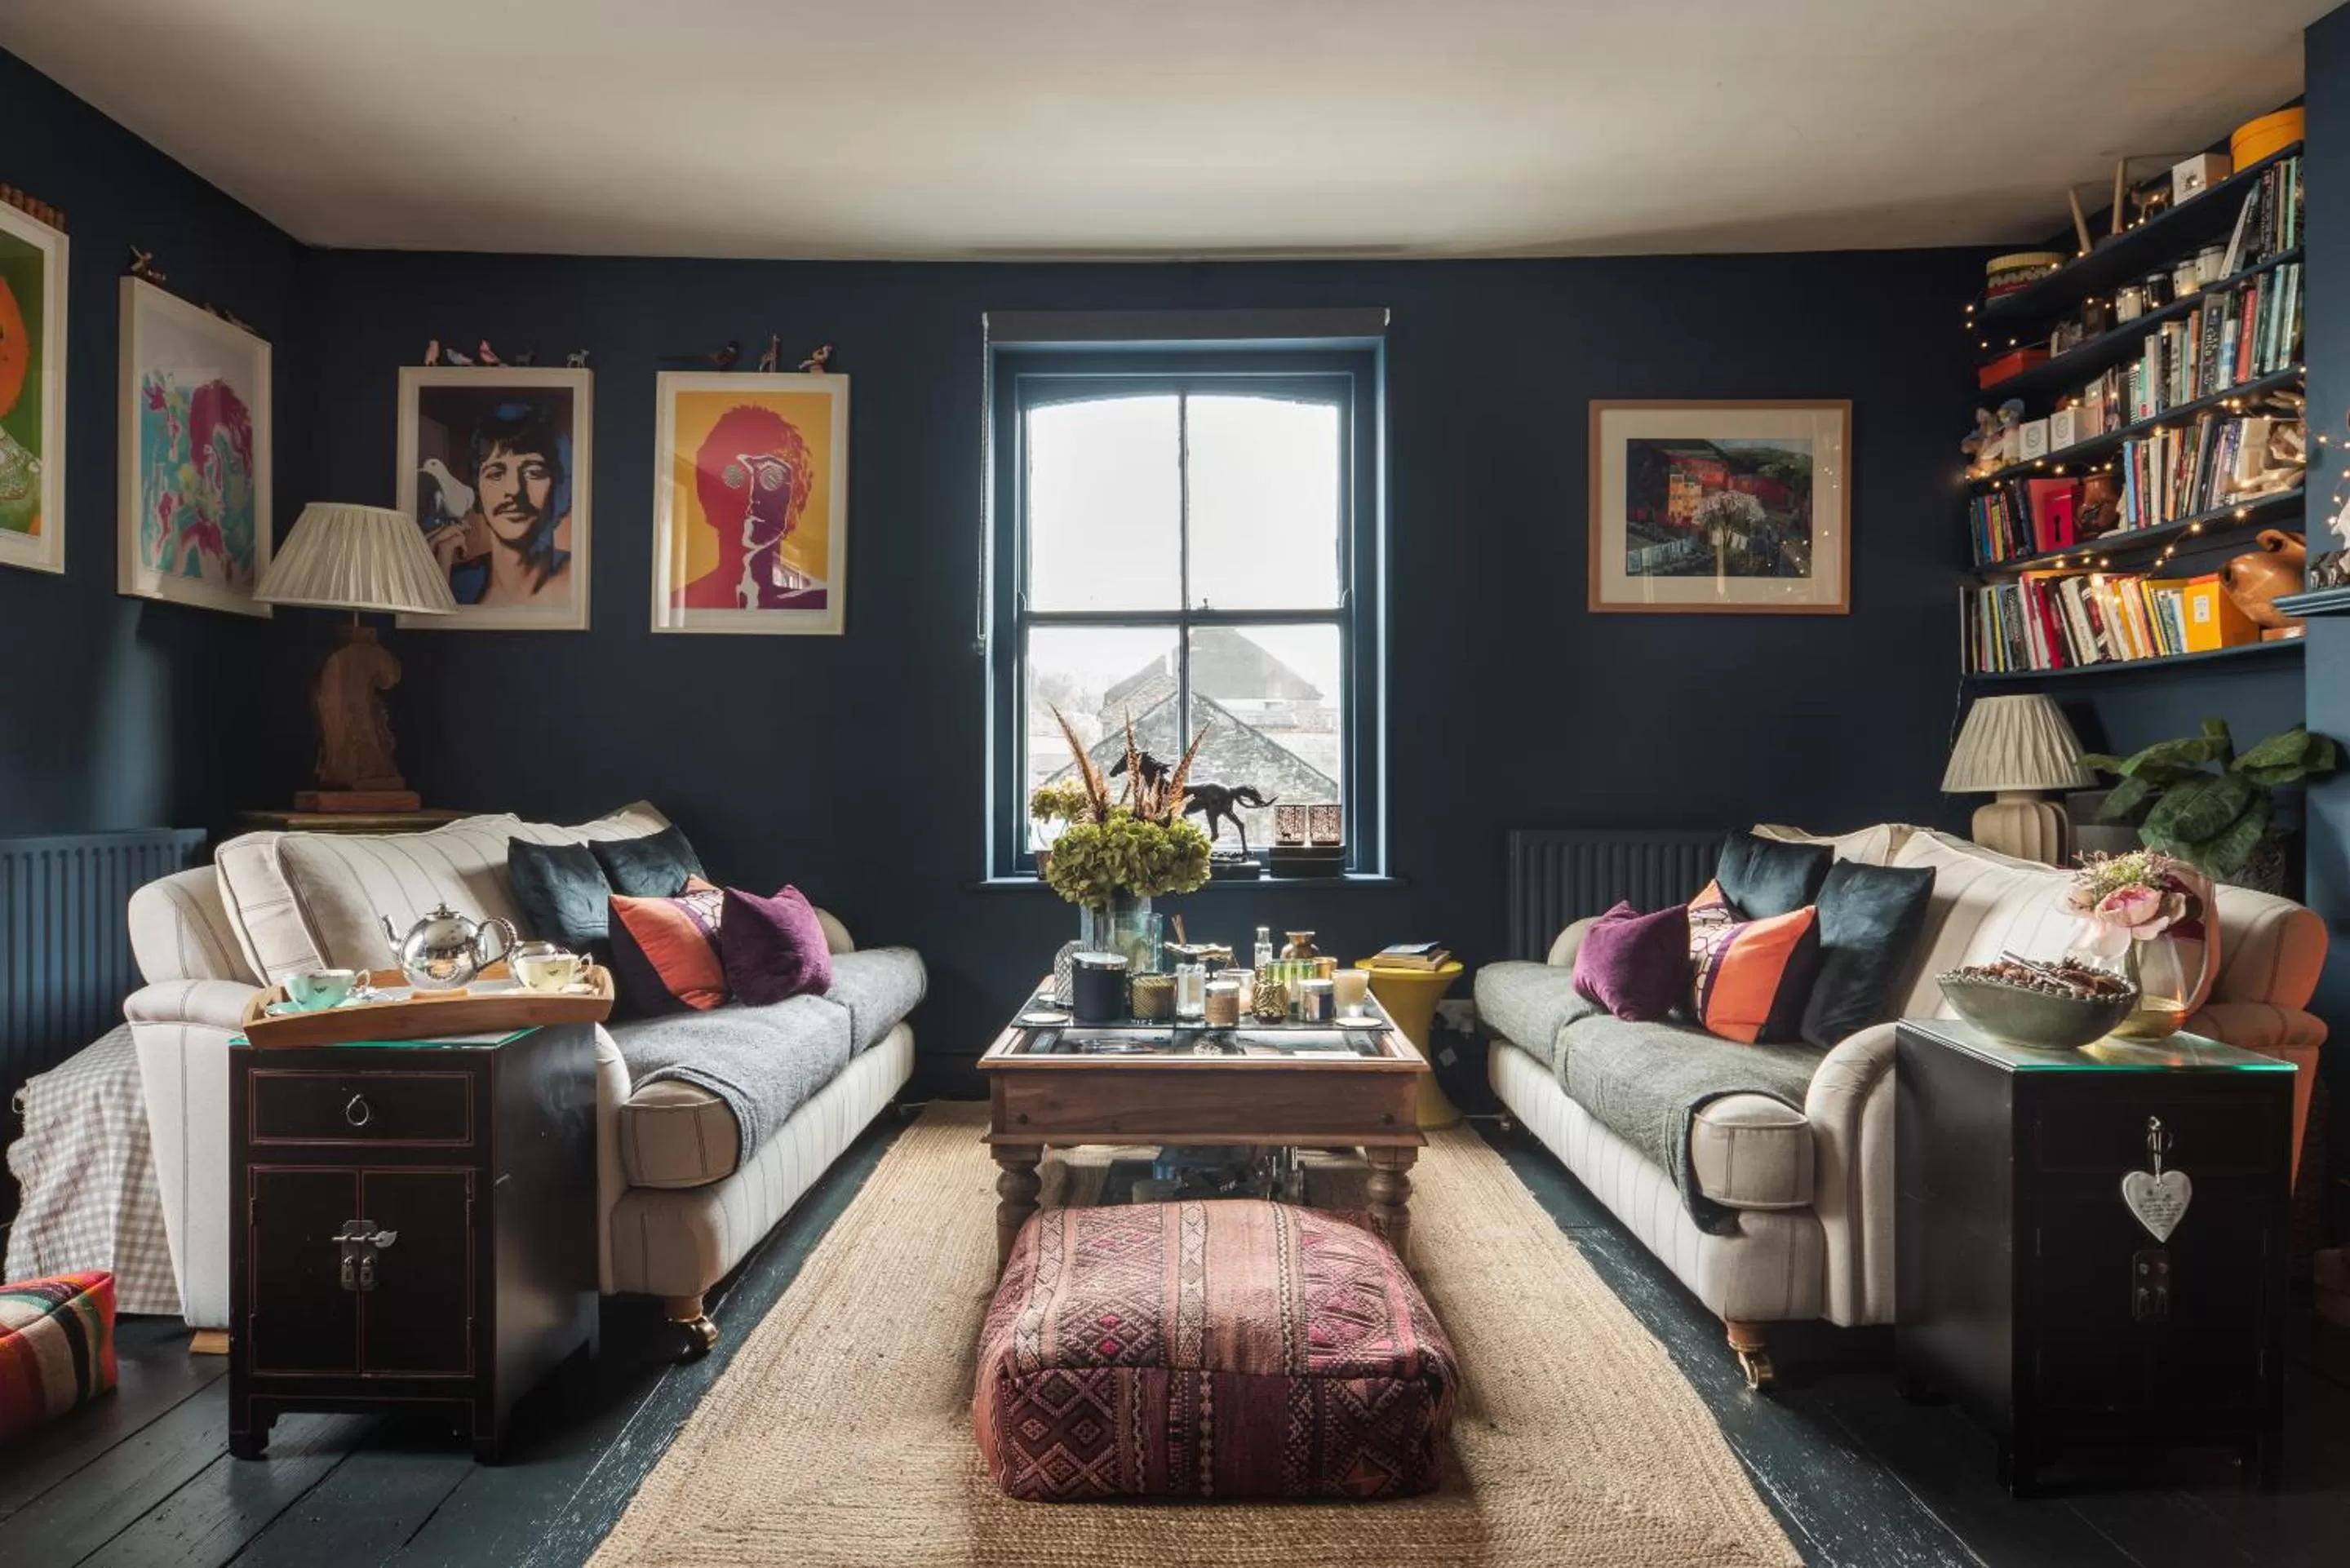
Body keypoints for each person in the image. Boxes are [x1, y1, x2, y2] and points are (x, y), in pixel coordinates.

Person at [679, 403, 825, 611]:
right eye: (734, 477)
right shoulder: (680, 604)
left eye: (771, 478)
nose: (751, 497)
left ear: (795, 494)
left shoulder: (822, 604)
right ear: (706, 492)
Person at [425, 402, 571, 607]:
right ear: (478, 489)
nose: (513, 490)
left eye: (533, 472)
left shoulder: (583, 580)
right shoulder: (453, 583)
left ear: (559, 485)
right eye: (496, 473)